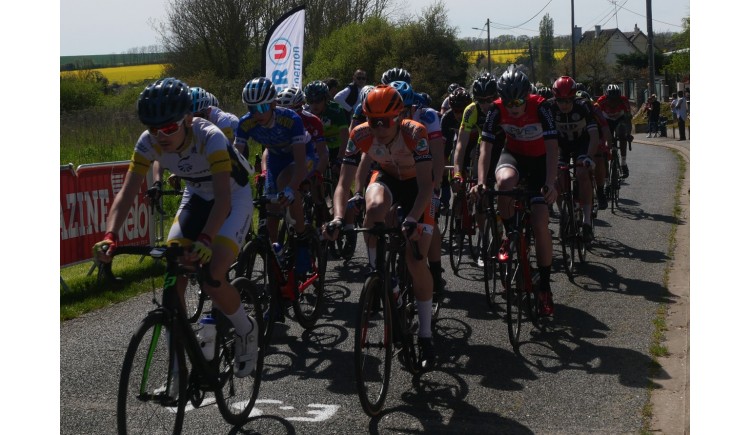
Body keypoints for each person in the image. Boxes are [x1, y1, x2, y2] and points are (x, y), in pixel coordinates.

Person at [93, 77, 259, 377]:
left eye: (169, 128)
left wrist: (206, 240)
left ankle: (246, 329)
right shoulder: (147, 142)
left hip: (232, 196)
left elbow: (222, 200)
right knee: (173, 271)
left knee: (212, 276)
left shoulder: (210, 136)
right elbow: (127, 193)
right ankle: (177, 366)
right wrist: (110, 236)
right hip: (195, 193)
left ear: (187, 119)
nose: (161, 136)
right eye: (154, 129)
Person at [324, 84, 436, 368]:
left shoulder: (416, 133)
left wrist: (412, 218)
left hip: (417, 189)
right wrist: (338, 217)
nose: (378, 127)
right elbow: (342, 184)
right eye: (372, 120)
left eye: (384, 121)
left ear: (398, 117)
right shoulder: (359, 135)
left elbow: (426, 187)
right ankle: (377, 273)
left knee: (415, 260)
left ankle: (425, 335)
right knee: (373, 208)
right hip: (386, 178)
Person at [470, 65, 558, 316]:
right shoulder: (496, 110)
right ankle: (511, 234)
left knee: (540, 222)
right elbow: (485, 148)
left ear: (527, 95)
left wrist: (551, 182)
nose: (514, 107)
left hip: (540, 163)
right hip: (515, 156)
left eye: (518, 101)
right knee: (504, 184)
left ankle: (545, 286)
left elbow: (553, 147)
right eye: (508, 102)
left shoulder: (542, 107)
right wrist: (480, 181)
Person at [234, 77, 313, 278]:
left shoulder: (290, 119)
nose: (256, 113)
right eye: (251, 108)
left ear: (272, 104)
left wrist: (290, 188)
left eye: (261, 107)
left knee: (285, 186)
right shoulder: (245, 123)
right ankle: (276, 265)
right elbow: (236, 158)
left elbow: (300, 162)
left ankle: (303, 240)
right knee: (270, 213)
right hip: (276, 158)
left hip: (302, 155)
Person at [389, 80, 447, 301]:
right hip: (399, 173)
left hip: (424, 172)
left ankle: (435, 270)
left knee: (428, 223)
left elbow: (437, 155)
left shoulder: (428, 116)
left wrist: (437, 185)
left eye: (405, 109)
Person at [452, 73, 504, 268]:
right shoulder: (470, 110)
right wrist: (457, 172)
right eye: (480, 100)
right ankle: (483, 241)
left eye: (489, 100)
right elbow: (460, 146)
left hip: (507, 147)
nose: (485, 104)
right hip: (486, 149)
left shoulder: (504, 107)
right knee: (480, 196)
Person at [549, 76, 599, 243]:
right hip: (561, 146)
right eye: (560, 101)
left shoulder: (584, 106)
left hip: (582, 145)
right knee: (556, 179)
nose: (564, 105)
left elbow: (593, 136)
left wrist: (590, 158)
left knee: (582, 173)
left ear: (574, 97)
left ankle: (586, 223)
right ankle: (564, 213)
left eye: (568, 100)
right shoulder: (549, 108)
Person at [595, 84, 632, 178]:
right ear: (606, 98)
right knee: (605, 142)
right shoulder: (601, 101)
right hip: (606, 120)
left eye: (616, 100)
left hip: (620, 119)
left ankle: (623, 163)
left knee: (622, 132)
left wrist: (628, 134)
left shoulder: (624, 101)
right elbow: (596, 119)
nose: (613, 103)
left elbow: (628, 119)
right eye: (611, 100)